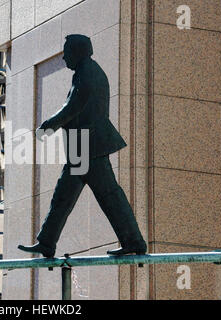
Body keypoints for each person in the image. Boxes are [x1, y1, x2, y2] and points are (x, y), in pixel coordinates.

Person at [18, 34, 146, 258]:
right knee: (64, 196)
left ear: (79, 51)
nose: (65, 56)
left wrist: (48, 126)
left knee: (107, 195)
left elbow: (73, 107)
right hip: (82, 146)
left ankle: (133, 241)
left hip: (88, 147)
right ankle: (46, 242)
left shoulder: (88, 72)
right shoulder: (86, 71)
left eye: (67, 51)